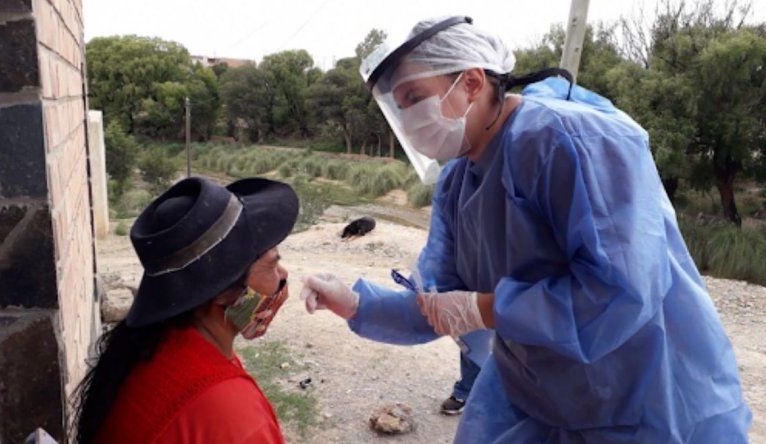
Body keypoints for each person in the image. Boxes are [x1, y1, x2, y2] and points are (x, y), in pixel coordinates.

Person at [300, 16, 752, 443]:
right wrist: (355, 304)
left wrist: (489, 308)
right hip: (539, 397)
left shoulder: (573, 141)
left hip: (647, 400)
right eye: (400, 108)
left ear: (472, 82)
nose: (409, 120)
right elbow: (441, 305)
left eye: (416, 98)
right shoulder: (460, 183)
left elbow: (621, 294)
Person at [72, 177, 299, 443]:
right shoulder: (229, 413)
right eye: (272, 265)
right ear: (224, 293)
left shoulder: (153, 346)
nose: (282, 276)